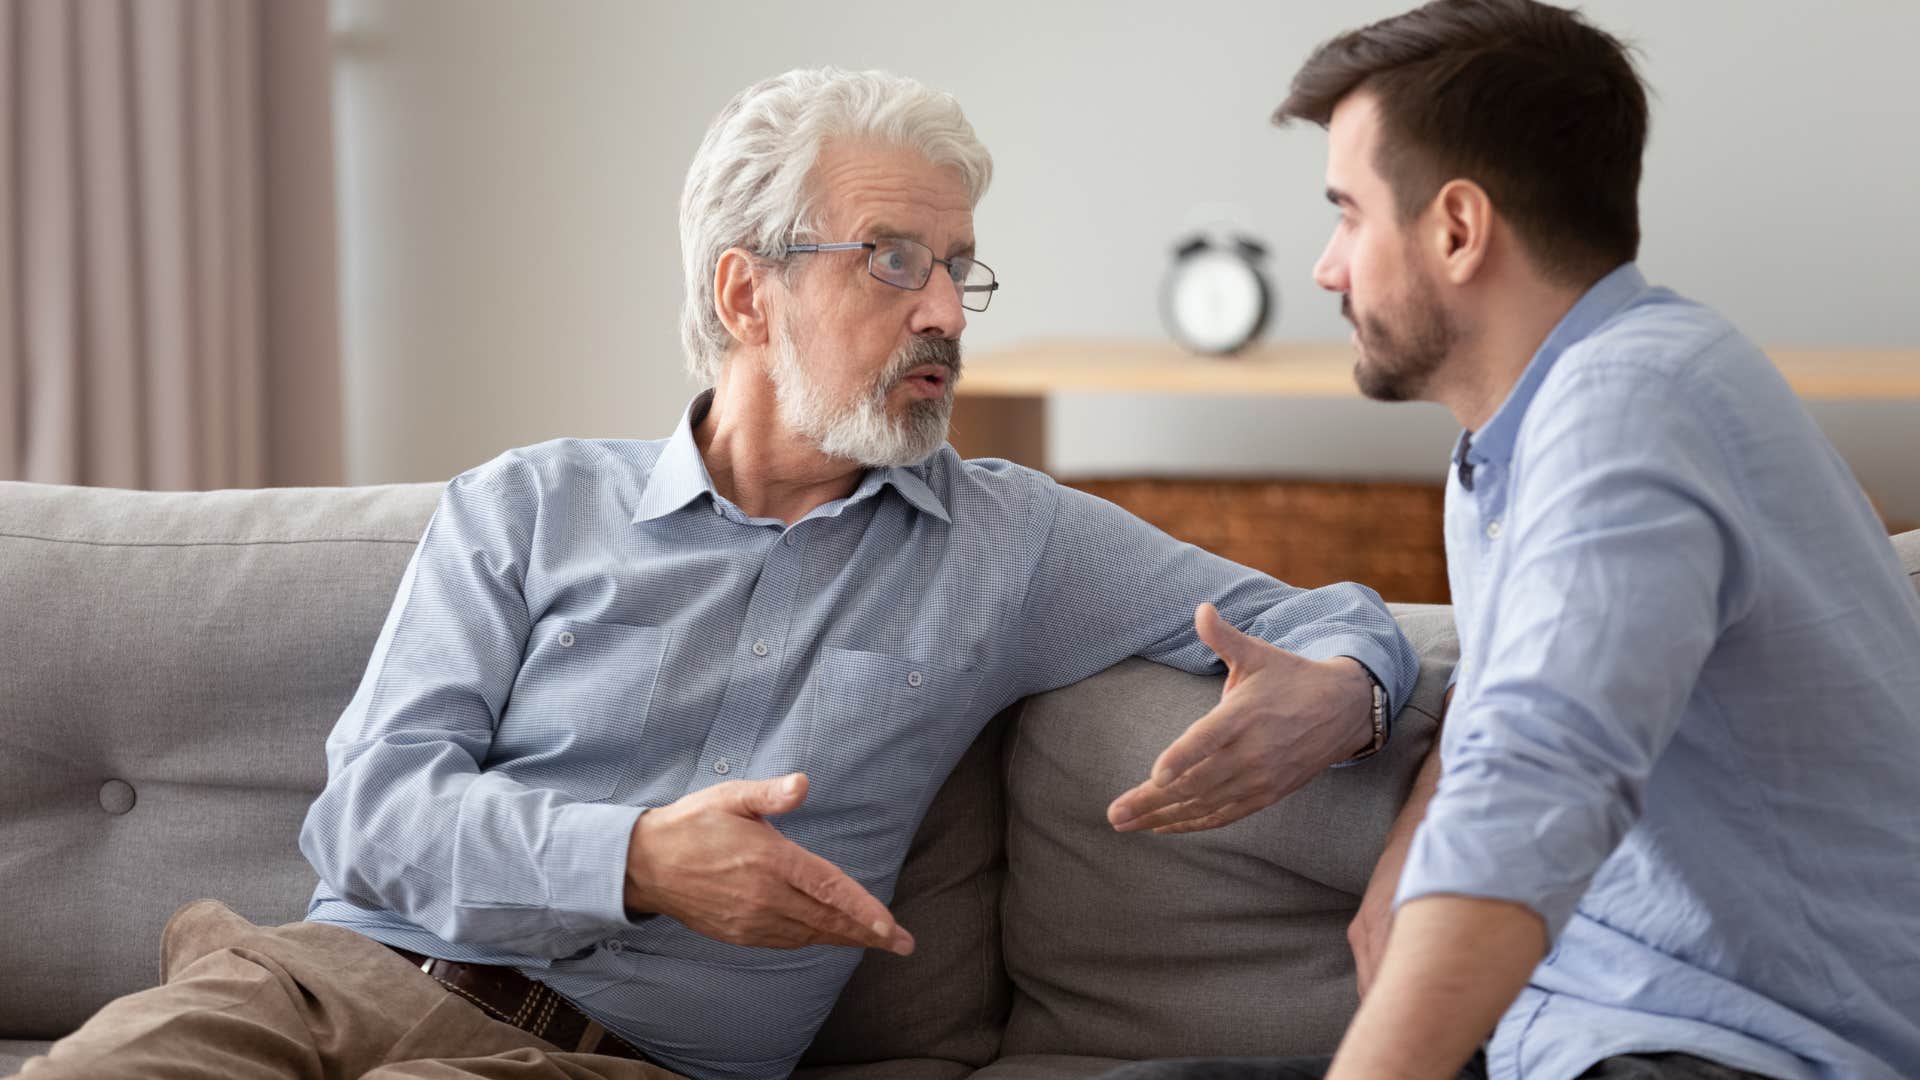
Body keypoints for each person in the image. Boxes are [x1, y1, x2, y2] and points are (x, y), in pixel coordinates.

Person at [14, 68, 1418, 1080]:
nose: (943, 308)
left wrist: (1349, 692)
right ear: (748, 294)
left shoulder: (1013, 540)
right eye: (892, 259)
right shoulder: (529, 506)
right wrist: (639, 863)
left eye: (959, 270)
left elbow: (1332, 616)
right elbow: (371, 820)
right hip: (315, 987)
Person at [1099, 2, 1920, 1080]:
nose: (1326, 268)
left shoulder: (1635, 402)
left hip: (1740, 1049)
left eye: (1348, 214)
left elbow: (1540, 779)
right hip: (1584, 1034)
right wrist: (1406, 846)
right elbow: (1530, 686)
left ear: (1456, 228)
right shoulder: (1528, 434)